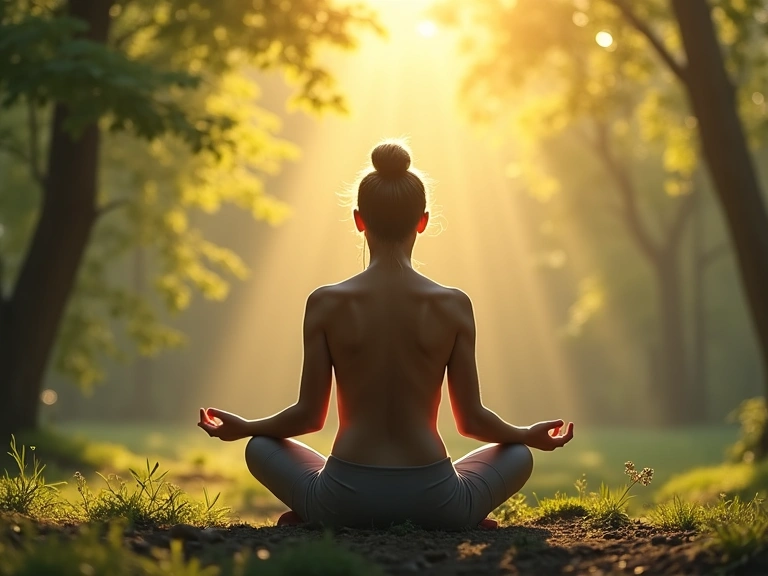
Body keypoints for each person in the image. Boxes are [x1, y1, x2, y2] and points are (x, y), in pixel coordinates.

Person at [198, 140, 575, 530]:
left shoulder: (326, 303)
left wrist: (246, 427)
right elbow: (472, 421)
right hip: (437, 498)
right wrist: (526, 435)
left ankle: (317, 517)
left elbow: (309, 416)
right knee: (518, 455)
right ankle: (457, 518)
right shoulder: (453, 305)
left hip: (343, 499)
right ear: (422, 221)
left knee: (261, 446)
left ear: (359, 219)